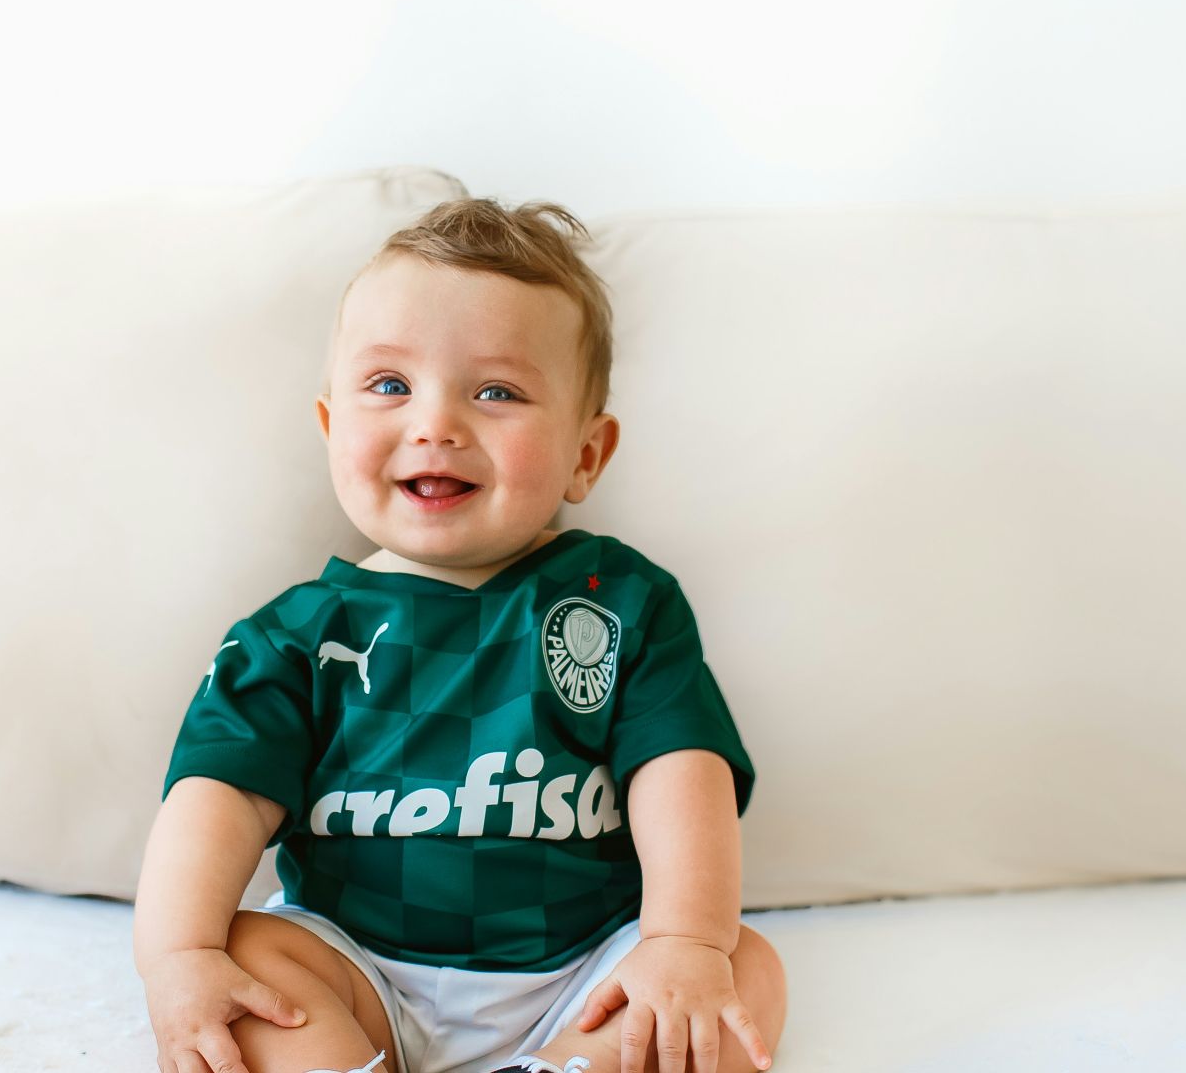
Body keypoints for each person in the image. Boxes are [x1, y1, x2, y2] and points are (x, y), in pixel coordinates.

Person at [133, 196, 787, 1073]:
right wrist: (177, 960)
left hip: (582, 972)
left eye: (497, 391)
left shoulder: (621, 601)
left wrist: (682, 942)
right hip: (357, 962)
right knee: (247, 960)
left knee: (740, 968)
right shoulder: (292, 636)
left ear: (586, 455)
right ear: (333, 430)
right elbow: (214, 798)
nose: (435, 424)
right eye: (391, 386)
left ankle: (565, 1066)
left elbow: (681, 771)